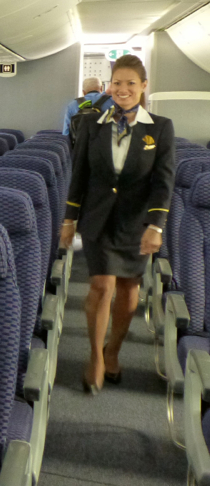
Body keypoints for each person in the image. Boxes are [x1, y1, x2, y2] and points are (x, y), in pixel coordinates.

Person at [60, 55, 175, 393]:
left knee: (127, 294)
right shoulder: (92, 124)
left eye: (130, 83)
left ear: (143, 87)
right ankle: (96, 357)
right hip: (98, 221)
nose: (122, 89)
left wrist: (156, 226)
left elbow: (163, 181)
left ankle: (114, 349)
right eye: (117, 83)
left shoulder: (160, 127)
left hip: (136, 223)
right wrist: (70, 220)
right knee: (101, 287)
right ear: (109, 86)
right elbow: (79, 176)